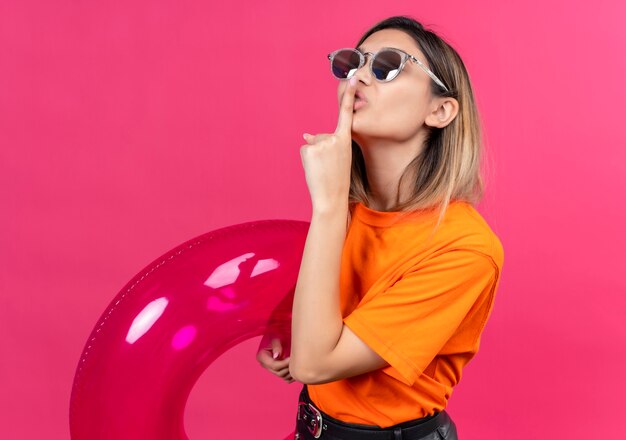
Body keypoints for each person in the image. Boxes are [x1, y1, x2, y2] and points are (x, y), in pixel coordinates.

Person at [257, 15, 504, 440]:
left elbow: (313, 365)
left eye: (387, 65)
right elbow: (320, 304)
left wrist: (329, 205)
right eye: (350, 64)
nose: (357, 77)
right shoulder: (351, 209)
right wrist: (282, 325)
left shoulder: (465, 248)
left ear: (440, 110)